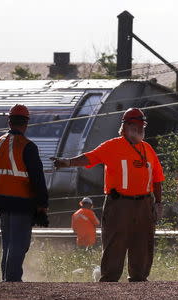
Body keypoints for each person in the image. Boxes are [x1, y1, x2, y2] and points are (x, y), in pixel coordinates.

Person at [52, 108, 165, 282]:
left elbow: (157, 178)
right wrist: (68, 162)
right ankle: (109, 281)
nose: (141, 129)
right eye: (137, 125)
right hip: (119, 204)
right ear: (126, 126)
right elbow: (89, 158)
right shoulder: (112, 146)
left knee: (143, 243)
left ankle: (139, 279)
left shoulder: (147, 148)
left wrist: (158, 203)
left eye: (143, 125)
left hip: (144, 204)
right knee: (115, 243)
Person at [0, 104, 49, 282]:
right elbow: (37, 178)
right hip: (22, 201)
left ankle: (6, 280)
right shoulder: (28, 146)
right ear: (26, 123)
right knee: (19, 243)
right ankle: (12, 281)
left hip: (1, 199)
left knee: (7, 243)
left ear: (9, 121)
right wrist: (42, 205)